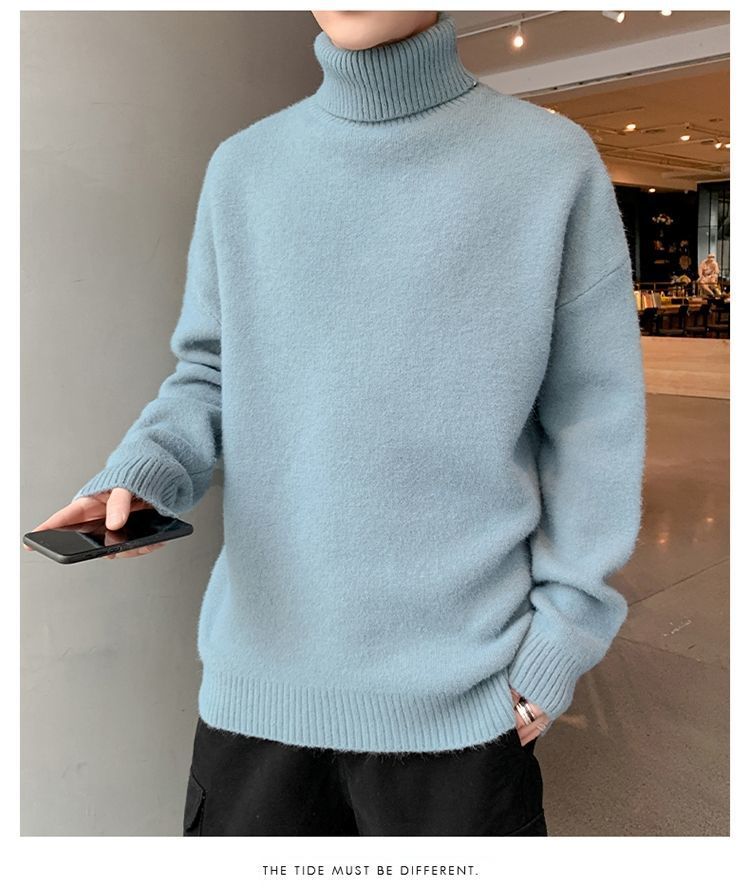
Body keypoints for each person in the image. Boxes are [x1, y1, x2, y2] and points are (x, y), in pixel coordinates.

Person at [27, 10, 647, 836]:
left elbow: (594, 424)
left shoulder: (549, 164)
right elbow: (210, 373)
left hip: (464, 704)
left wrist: (561, 642)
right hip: (259, 694)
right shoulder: (245, 169)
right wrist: (146, 471)